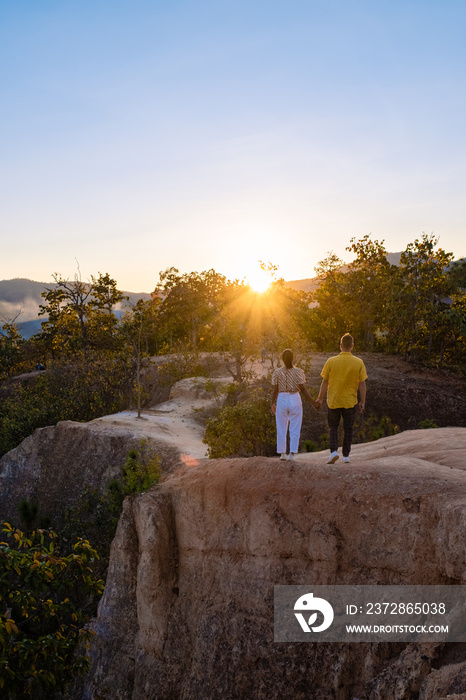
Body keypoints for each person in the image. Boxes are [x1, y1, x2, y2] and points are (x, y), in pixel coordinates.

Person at [316, 333, 367, 464]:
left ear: (340, 346)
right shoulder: (358, 362)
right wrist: (362, 401)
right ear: (352, 346)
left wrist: (320, 398)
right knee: (348, 427)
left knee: (333, 426)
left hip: (334, 400)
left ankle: (333, 452)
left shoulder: (331, 361)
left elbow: (324, 382)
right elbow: (362, 383)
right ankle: (346, 456)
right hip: (350, 401)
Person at [271, 349, 318, 461]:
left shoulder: (277, 372)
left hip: (281, 398)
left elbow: (275, 390)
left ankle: (282, 453)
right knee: (295, 427)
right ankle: (292, 453)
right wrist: (313, 402)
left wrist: (272, 403)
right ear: (293, 358)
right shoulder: (298, 372)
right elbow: (303, 389)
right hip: (294, 397)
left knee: (281, 427)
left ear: (282, 359)